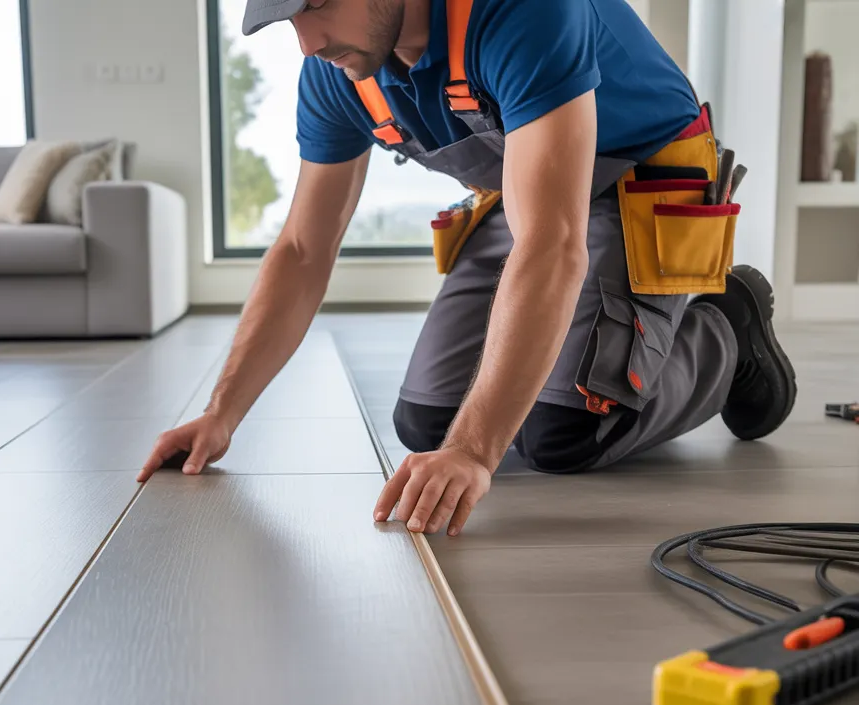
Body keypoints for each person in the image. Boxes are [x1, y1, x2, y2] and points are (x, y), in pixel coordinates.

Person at [138, 0, 797, 537]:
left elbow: (553, 243)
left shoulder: (522, 12)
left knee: (561, 433)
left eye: (318, 6)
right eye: (287, 18)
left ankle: (728, 330)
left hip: (637, 178)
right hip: (534, 190)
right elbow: (303, 250)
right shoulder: (340, 74)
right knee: (428, 425)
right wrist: (222, 415)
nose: (308, 42)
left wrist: (477, 453)